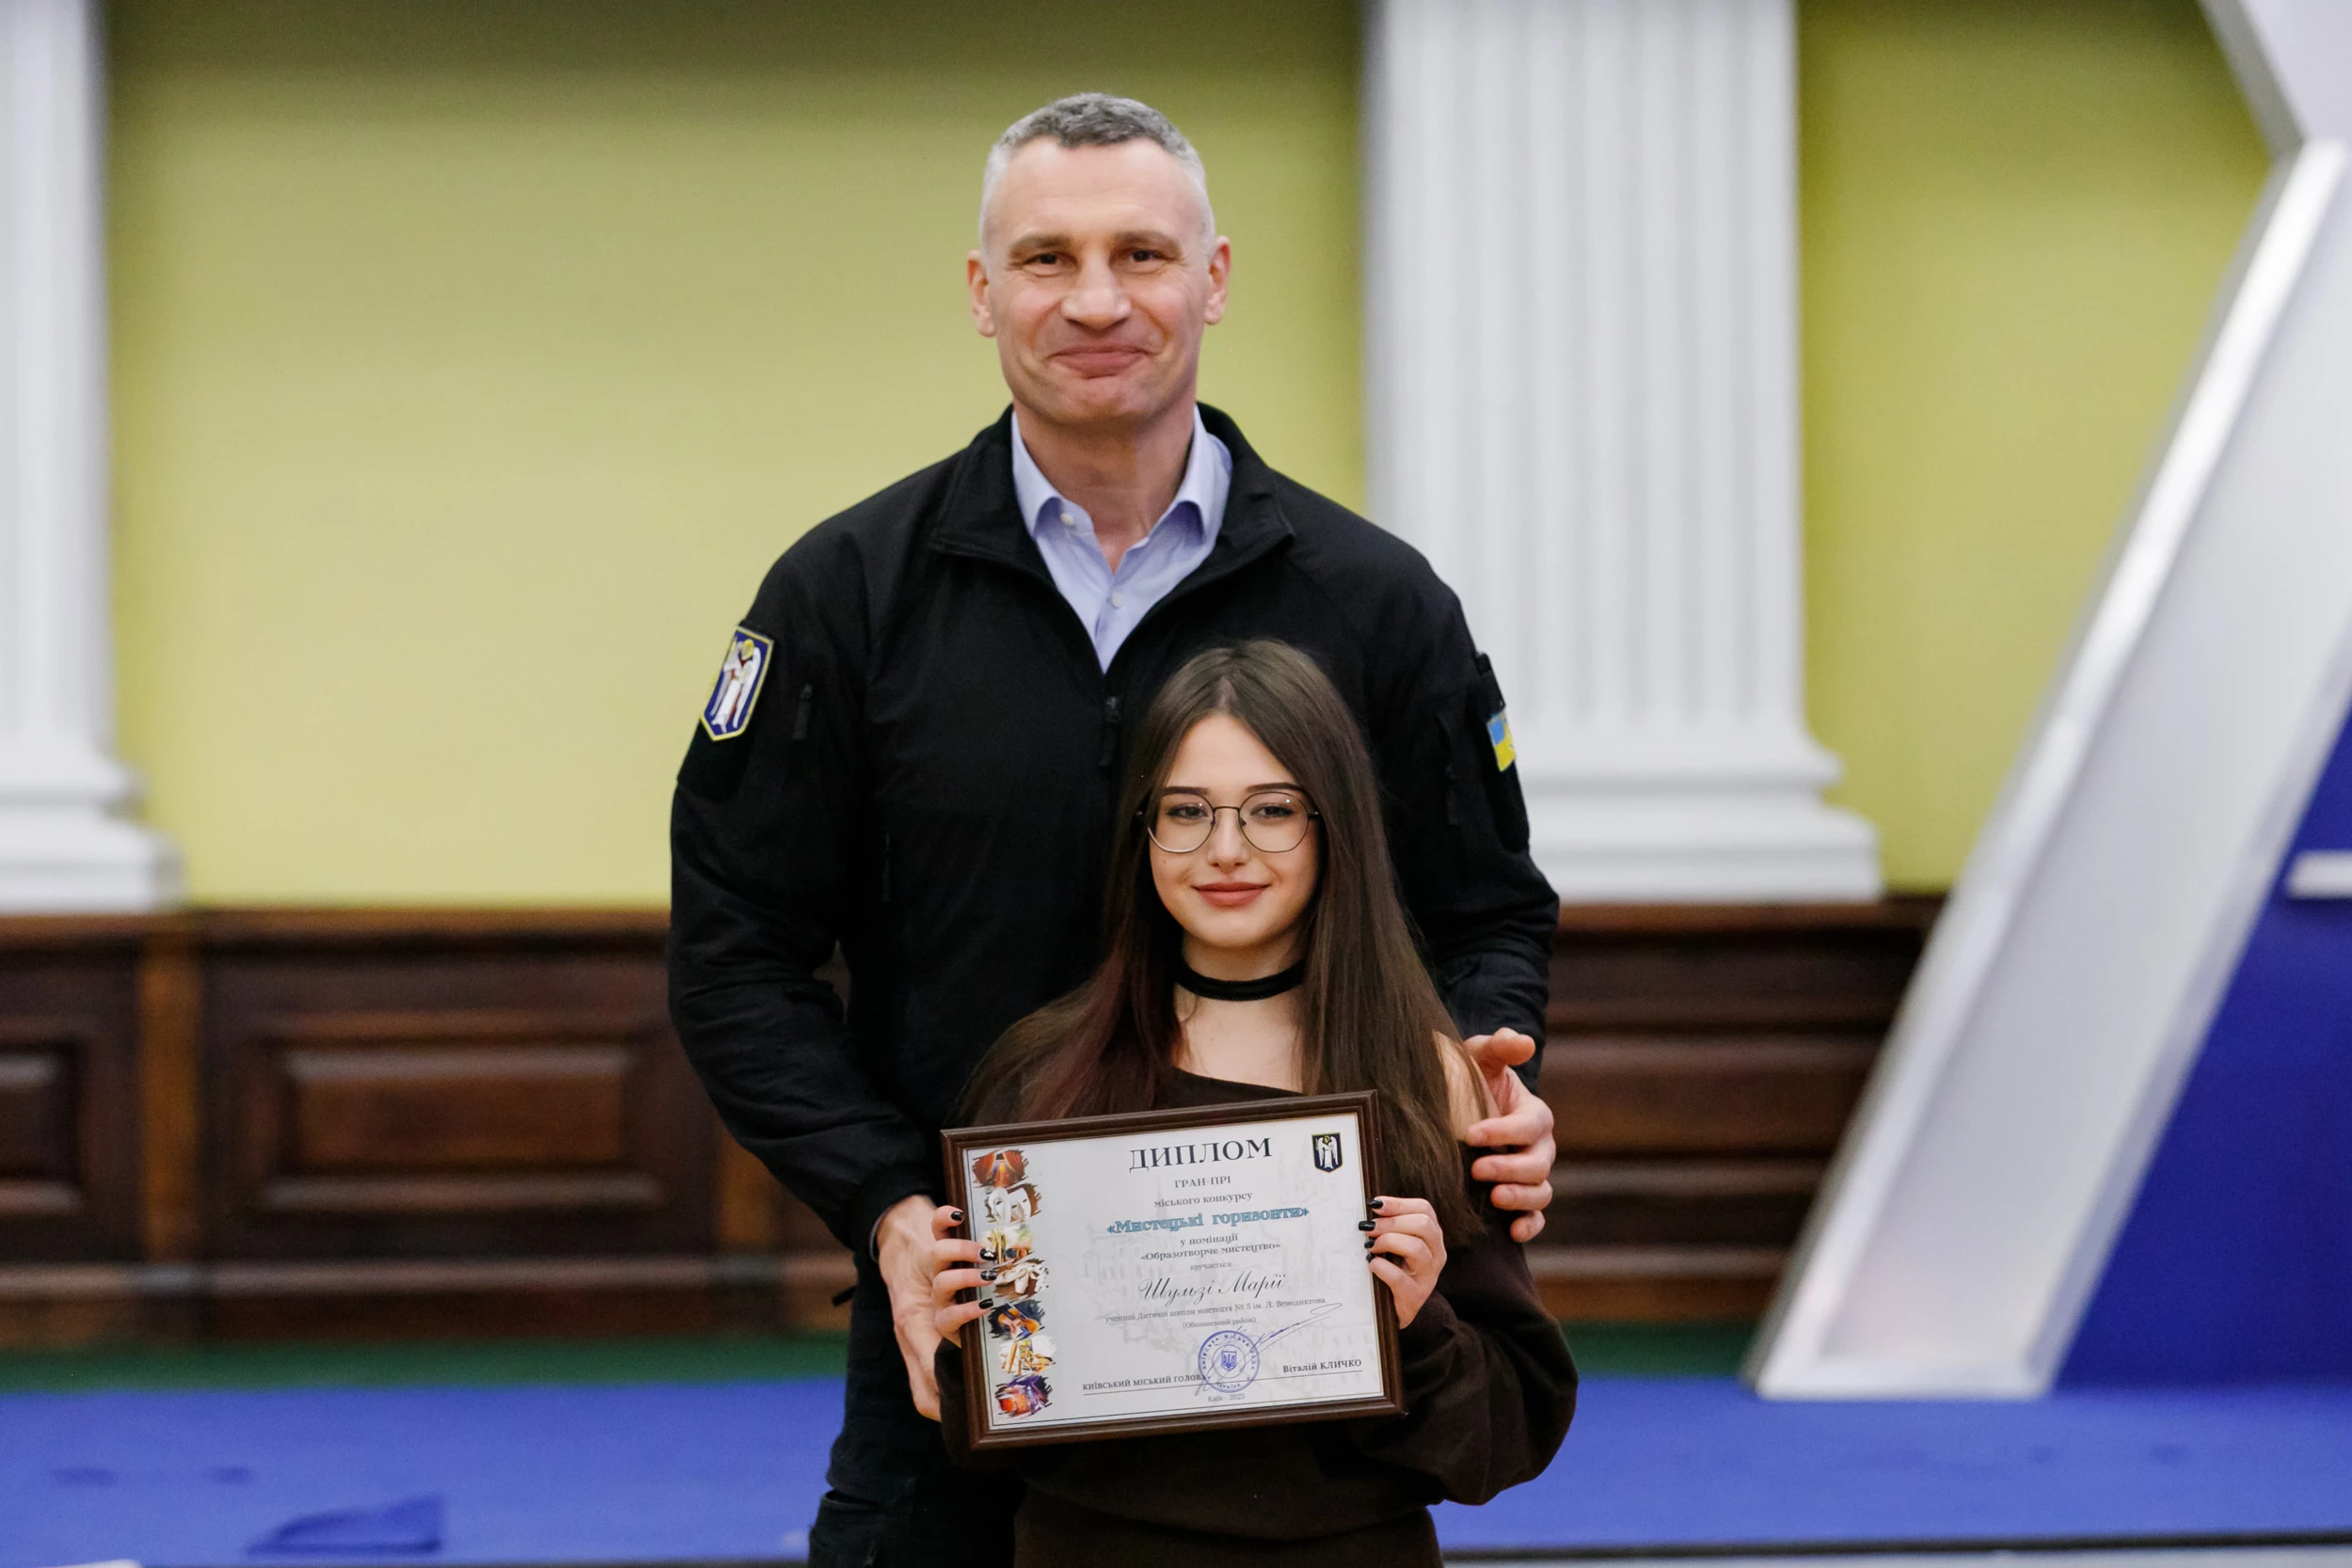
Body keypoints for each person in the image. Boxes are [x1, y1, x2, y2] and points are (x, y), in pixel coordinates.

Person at [667, 92, 1563, 1568]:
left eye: (1143, 254)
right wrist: (891, 1207)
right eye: (1046, 258)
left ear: (1213, 278)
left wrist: (1477, 1072)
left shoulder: (1377, 601)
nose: (1096, 300)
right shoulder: (846, 596)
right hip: (971, 1324)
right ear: (980, 291)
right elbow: (735, 953)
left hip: (1305, 1367)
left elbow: (1488, 917)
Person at [929, 641, 1577, 1564]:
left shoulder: (1425, 1078)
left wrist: (1417, 1323)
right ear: (1140, 831)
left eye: (1272, 810)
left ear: (1333, 823)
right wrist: (977, 1342)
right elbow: (985, 1429)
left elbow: (1503, 1438)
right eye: (1186, 811)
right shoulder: (1041, 1082)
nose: (1224, 849)